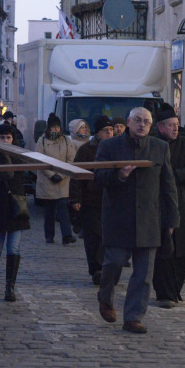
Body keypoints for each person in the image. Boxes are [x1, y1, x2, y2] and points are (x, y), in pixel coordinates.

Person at [94, 107, 179, 334]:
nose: (142, 125)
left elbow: (168, 186)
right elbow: (98, 178)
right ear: (129, 122)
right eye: (138, 120)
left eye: (147, 122)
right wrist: (119, 175)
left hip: (149, 221)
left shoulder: (160, 148)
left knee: (143, 275)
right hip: (118, 218)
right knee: (113, 263)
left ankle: (133, 317)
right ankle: (105, 297)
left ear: (151, 126)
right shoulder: (109, 146)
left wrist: (172, 219)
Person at [151, 105, 185, 307]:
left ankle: (175, 290)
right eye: (171, 125)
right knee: (163, 252)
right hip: (159, 205)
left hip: (183, 203)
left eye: (177, 125)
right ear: (161, 127)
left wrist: (173, 176)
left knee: (182, 254)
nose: (175, 129)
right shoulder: (152, 144)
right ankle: (164, 294)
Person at [0, 124, 30, 301]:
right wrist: (1, 153)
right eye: (2, 138)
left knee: (13, 247)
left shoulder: (19, 155)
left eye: (8, 138)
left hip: (15, 205)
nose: (5, 141)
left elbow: (13, 175)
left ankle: (9, 287)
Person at [70, 115, 113, 284]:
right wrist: (75, 198)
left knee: (107, 236)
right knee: (93, 236)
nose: (109, 133)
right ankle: (96, 268)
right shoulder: (86, 150)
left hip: (110, 199)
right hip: (90, 200)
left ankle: (105, 268)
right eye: (106, 130)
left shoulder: (115, 149)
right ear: (98, 132)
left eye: (111, 130)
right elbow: (77, 175)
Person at [35, 113, 76, 244]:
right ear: (49, 128)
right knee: (49, 210)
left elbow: (71, 159)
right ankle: (49, 236)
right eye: (53, 127)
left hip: (63, 180)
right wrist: (52, 175)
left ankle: (67, 235)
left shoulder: (66, 140)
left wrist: (62, 174)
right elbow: (39, 160)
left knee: (63, 208)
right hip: (48, 180)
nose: (56, 129)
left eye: (57, 127)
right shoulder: (42, 140)